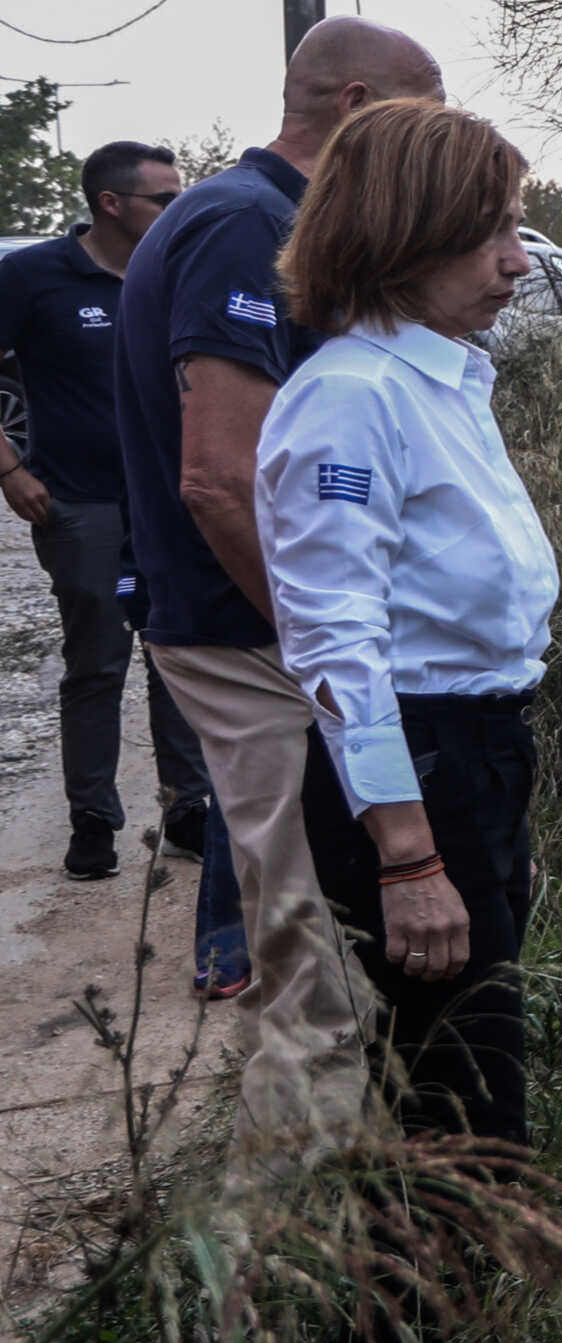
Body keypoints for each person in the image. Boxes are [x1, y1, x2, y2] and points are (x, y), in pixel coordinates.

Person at [115, 18, 445, 1157]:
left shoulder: (264, 220)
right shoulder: (242, 226)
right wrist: (321, 638)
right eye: (423, 118)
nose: (432, 144)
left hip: (266, 638)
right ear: (358, 104)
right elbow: (217, 478)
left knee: (330, 946)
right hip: (249, 641)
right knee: (316, 974)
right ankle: (289, 1274)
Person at [260, 101, 552, 1143]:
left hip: (477, 747)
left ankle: (442, 1297)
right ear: (406, 233)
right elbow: (337, 646)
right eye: (495, 231)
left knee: (466, 1081)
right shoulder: (353, 396)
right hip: (416, 764)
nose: (518, 262)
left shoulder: (446, 380)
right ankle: (407, 1308)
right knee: (456, 1107)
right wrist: (411, 857)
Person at [0, 141, 235, 919]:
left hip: (171, 498)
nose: (177, 207)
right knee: (98, 658)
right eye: (162, 197)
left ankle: (187, 807)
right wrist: (10, 469)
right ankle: (93, 819)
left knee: (176, 647)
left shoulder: (175, 267)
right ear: (111, 203)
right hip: (81, 502)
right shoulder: (33, 275)